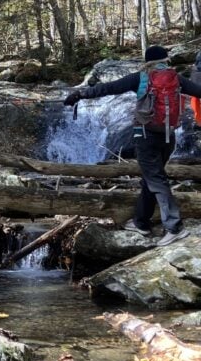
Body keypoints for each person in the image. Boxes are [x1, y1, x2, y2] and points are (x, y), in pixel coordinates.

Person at [64, 44, 201, 246]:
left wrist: (80, 94)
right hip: (168, 136)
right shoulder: (176, 78)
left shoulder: (141, 78)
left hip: (145, 135)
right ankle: (141, 222)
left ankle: (174, 227)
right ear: (165, 59)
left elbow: (109, 88)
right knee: (151, 177)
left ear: (147, 61)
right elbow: (199, 91)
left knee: (155, 179)